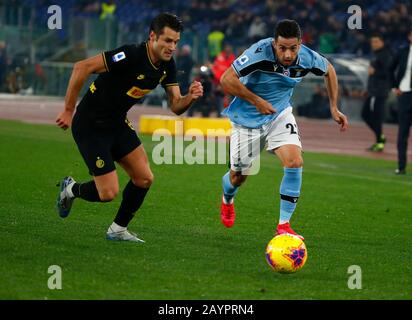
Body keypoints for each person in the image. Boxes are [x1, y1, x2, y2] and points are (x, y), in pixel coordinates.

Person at [55, 13, 203, 242]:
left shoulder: (167, 66)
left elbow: (175, 106)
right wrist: (68, 110)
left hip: (117, 123)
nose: (172, 47)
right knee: (108, 193)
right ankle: (71, 189)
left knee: (144, 178)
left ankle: (118, 229)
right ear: (153, 36)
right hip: (90, 124)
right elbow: (81, 67)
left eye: (175, 42)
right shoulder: (130, 54)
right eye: (167, 40)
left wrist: (190, 97)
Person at [219, 20, 348, 240]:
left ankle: (284, 225)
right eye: (282, 48)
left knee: (294, 161)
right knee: (239, 176)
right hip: (247, 119)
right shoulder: (259, 53)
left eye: (293, 48)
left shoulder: (308, 57)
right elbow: (226, 79)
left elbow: (330, 71)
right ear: (274, 43)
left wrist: (334, 107)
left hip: (279, 115)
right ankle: (227, 199)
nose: (288, 55)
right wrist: (256, 100)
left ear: (300, 43)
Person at [361, 34, 393, 152]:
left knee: (374, 117)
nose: (373, 44)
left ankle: (379, 141)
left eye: (376, 42)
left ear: (382, 42)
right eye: (372, 42)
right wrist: (368, 89)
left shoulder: (385, 55)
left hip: (379, 92)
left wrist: (375, 71)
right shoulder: (378, 55)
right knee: (367, 115)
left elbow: (389, 73)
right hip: (373, 91)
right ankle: (380, 137)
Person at [392, 28, 412, 175]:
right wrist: (395, 86)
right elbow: (390, 68)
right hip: (405, 94)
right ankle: (401, 166)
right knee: (403, 132)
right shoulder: (403, 51)